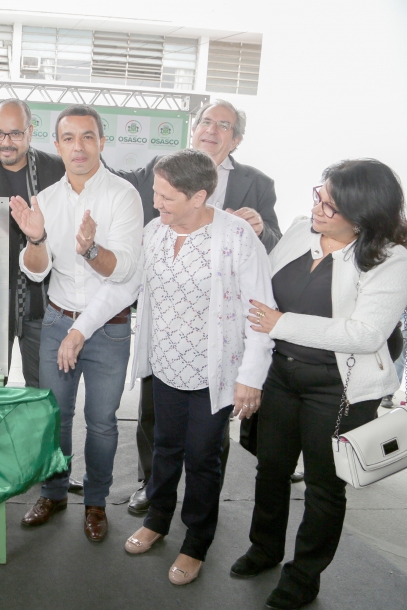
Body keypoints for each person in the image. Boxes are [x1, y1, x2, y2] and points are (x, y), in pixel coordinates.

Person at [233, 159, 407, 610]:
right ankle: (264, 549)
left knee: (324, 487)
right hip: (281, 375)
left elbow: (365, 334)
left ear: (363, 215)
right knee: (270, 468)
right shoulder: (299, 230)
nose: (318, 208)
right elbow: (261, 292)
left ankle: (303, 576)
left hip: (339, 389)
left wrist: (281, 323)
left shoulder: (392, 259)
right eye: (319, 195)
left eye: (331, 204)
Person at [112, 99, 284, 515]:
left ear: (236, 139)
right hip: (167, 334)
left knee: (207, 441)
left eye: (223, 125)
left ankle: (201, 506)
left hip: (218, 338)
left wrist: (260, 228)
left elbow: (273, 244)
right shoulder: (162, 171)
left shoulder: (256, 185)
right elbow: (127, 202)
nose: (211, 129)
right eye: (205, 121)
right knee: (156, 423)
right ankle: (152, 487)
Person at [119, 149, 275, 585]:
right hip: (166, 367)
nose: (156, 203)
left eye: (166, 197)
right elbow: (130, 286)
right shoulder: (155, 231)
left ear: (199, 196)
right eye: (155, 193)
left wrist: (250, 377)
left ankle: (196, 541)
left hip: (214, 374)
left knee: (203, 458)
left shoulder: (237, 236)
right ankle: (157, 519)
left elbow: (261, 312)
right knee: (164, 448)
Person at [10, 104, 142, 542]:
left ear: (102, 142)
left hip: (109, 328)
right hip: (56, 322)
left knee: (102, 421)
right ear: (57, 145)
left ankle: (96, 502)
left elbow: (124, 272)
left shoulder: (123, 195)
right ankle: (53, 493)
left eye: (88, 136)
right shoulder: (46, 199)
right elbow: (36, 272)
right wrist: (36, 238)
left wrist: (90, 251)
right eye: (69, 138)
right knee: (56, 417)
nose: (79, 146)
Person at [0, 99, 65, 390]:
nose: (6, 142)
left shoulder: (58, 171)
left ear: (30, 131)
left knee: (43, 388)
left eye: (15, 133)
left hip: (44, 299)